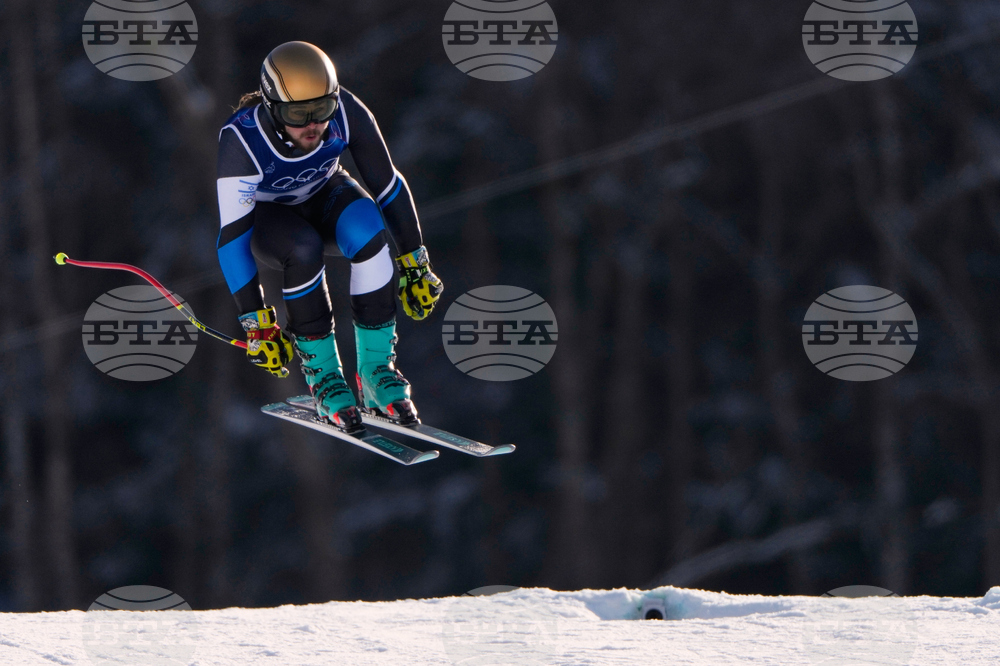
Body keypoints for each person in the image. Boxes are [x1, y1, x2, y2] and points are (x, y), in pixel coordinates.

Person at [215, 41, 443, 431]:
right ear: (270, 106)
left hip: (326, 194)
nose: (312, 125)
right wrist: (257, 324)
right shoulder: (242, 140)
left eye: (321, 109)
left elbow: (388, 185)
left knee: (368, 226)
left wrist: (415, 261)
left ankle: (375, 372)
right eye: (296, 114)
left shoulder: (347, 112)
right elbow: (233, 240)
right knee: (302, 248)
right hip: (272, 220)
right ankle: (325, 377)